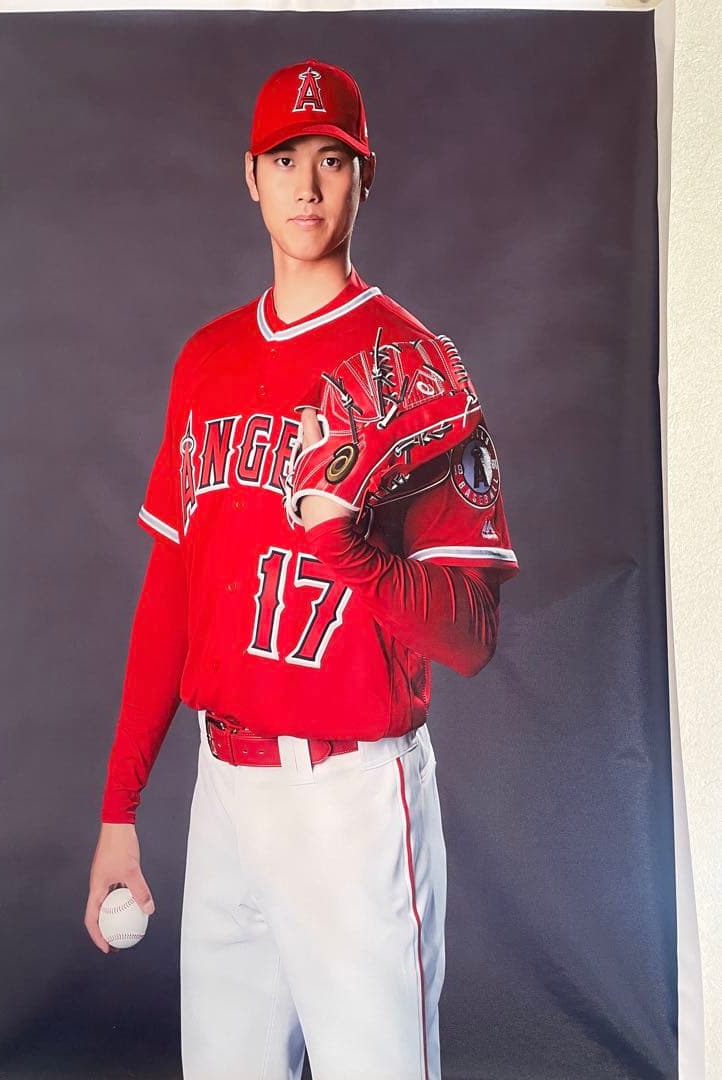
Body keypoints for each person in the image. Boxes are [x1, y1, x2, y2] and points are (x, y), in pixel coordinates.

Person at [84, 58, 519, 1080]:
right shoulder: (205, 362)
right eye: (285, 159)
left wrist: (347, 547)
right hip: (223, 794)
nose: (309, 185)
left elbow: (472, 636)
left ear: (367, 176)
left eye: (333, 159)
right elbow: (171, 598)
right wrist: (119, 810)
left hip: (351, 799)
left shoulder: (415, 368)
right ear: (251, 176)